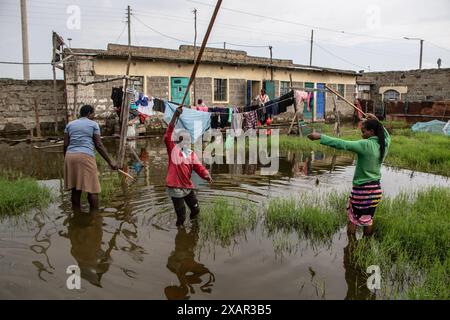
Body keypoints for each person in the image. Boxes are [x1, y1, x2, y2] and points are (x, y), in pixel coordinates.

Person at [307, 113, 390, 235]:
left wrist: (320, 136)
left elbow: (343, 144)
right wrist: (377, 120)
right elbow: (386, 134)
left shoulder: (366, 145)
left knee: (353, 219)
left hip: (361, 190)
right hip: (376, 190)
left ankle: (350, 246)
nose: (362, 135)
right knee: (368, 219)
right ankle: (366, 246)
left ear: (372, 132)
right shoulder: (385, 144)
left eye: (364, 132)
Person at [164, 106, 212, 226]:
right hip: (175, 187)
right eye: (183, 139)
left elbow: (199, 167)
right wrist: (175, 116)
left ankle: (194, 230)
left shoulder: (191, 154)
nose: (186, 141)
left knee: (195, 209)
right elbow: (167, 135)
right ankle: (181, 236)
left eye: (187, 139)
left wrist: (206, 174)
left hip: (186, 186)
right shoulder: (173, 150)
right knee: (181, 217)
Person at [64, 105, 118, 209]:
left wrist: (66, 159)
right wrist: (110, 162)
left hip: (69, 156)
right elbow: (98, 145)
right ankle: (95, 217)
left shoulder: (70, 124)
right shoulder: (93, 125)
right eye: (93, 113)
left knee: (75, 188)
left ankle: (77, 214)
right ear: (89, 114)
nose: (94, 115)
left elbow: (65, 145)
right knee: (93, 189)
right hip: (85, 156)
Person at [165, 221, 215, 300]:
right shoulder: (176, 269)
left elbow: (182, 272)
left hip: (182, 255)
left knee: (188, 230)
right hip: (183, 255)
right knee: (190, 230)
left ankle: (191, 224)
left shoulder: (175, 268)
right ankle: (192, 224)